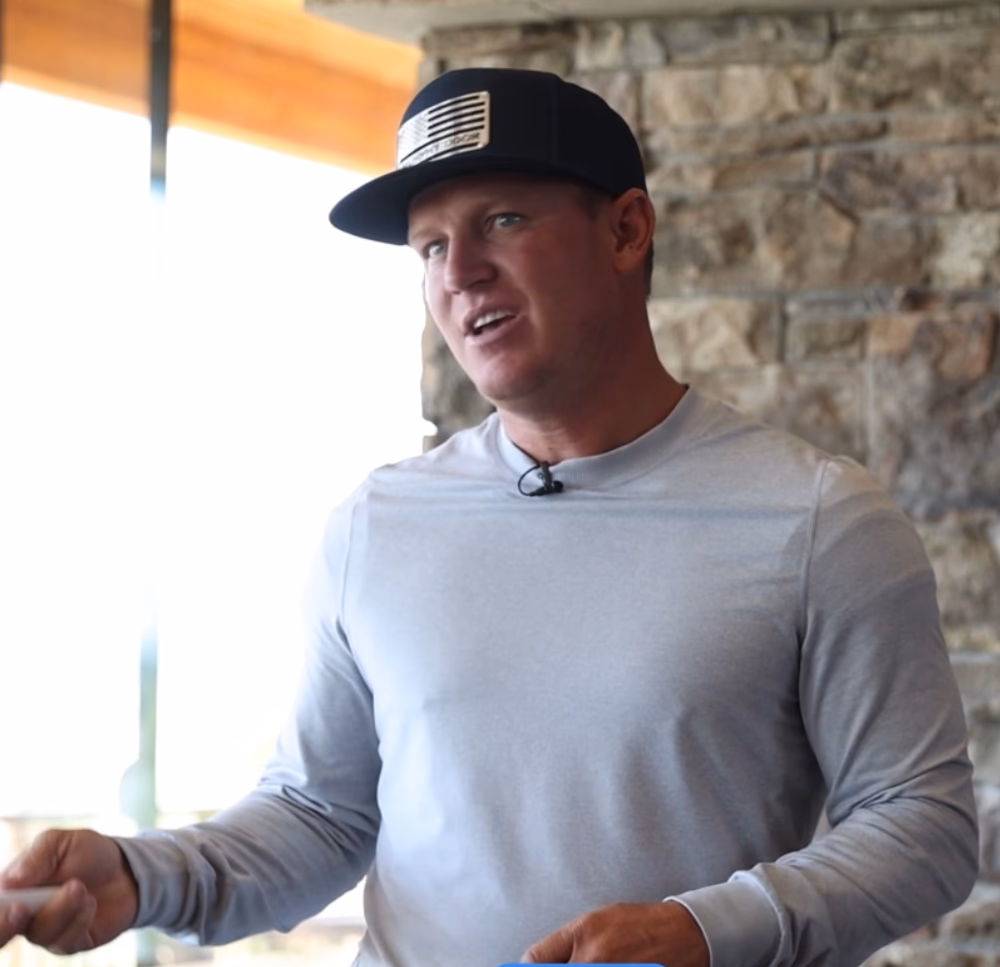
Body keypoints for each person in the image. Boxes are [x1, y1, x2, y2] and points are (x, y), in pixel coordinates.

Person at [0, 68, 978, 967]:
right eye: (430, 244)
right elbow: (321, 814)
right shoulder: (375, 525)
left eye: (501, 220)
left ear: (626, 231)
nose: (459, 270)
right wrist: (142, 876)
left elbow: (923, 828)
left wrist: (704, 930)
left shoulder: (818, 520)